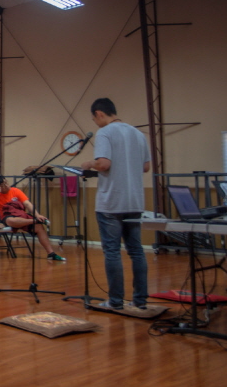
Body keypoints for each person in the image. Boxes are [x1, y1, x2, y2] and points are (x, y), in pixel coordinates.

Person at [81, 97, 151, 310]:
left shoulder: (105, 132)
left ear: (99, 114)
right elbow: (146, 167)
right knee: (136, 250)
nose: (96, 123)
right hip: (134, 200)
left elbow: (103, 164)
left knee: (112, 251)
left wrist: (89, 163)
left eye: (94, 119)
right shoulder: (138, 134)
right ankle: (140, 300)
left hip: (111, 201)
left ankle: (115, 301)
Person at [0, 175, 65, 261]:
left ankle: (51, 253)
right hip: (7, 218)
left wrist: (37, 215)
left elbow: (27, 204)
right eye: (3, 185)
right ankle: (34, 221)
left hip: (21, 216)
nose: (6, 185)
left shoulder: (15, 191)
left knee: (39, 227)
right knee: (10, 220)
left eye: (6, 182)